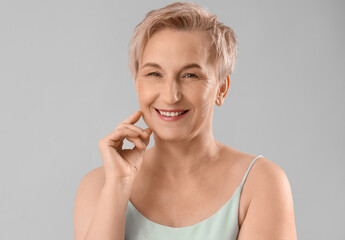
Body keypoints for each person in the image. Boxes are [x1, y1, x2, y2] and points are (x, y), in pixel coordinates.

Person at [73, 2, 297, 240]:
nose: (171, 96)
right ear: (137, 84)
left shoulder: (260, 183)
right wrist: (117, 184)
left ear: (222, 88)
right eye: (154, 74)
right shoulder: (98, 186)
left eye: (190, 75)